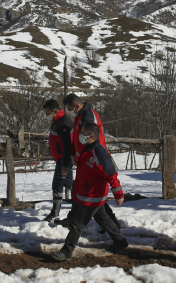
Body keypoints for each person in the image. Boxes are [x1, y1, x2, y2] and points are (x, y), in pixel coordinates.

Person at [50, 122, 128, 262]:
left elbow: (111, 174)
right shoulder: (88, 148)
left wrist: (118, 194)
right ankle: (120, 241)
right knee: (103, 219)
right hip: (88, 194)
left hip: (92, 196)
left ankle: (67, 252)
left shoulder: (99, 152)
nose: (80, 136)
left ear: (91, 137)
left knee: (76, 224)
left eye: (83, 134)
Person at [57, 93, 121, 232]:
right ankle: (113, 228)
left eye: (69, 109)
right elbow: (77, 139)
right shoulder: (81, 115)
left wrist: (80, 156)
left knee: (91, 194)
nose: (69, 112)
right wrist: (74, 154)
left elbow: (88, 140)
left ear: (77, 106)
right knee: (86, 192)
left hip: (92, 160)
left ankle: (76, 222)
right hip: (86, 159)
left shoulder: (87, 117)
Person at [42, 99, 74, 222]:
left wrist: (65, 163)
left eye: (47, 113)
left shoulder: (63, 123)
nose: (46, 116)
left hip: (63, 159)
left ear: (55, 111)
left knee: (57, 185)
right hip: (61, 159)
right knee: (67, 183)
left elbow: (67, 145)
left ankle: (55, 213)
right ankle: (82, 197)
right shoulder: (57, 121)